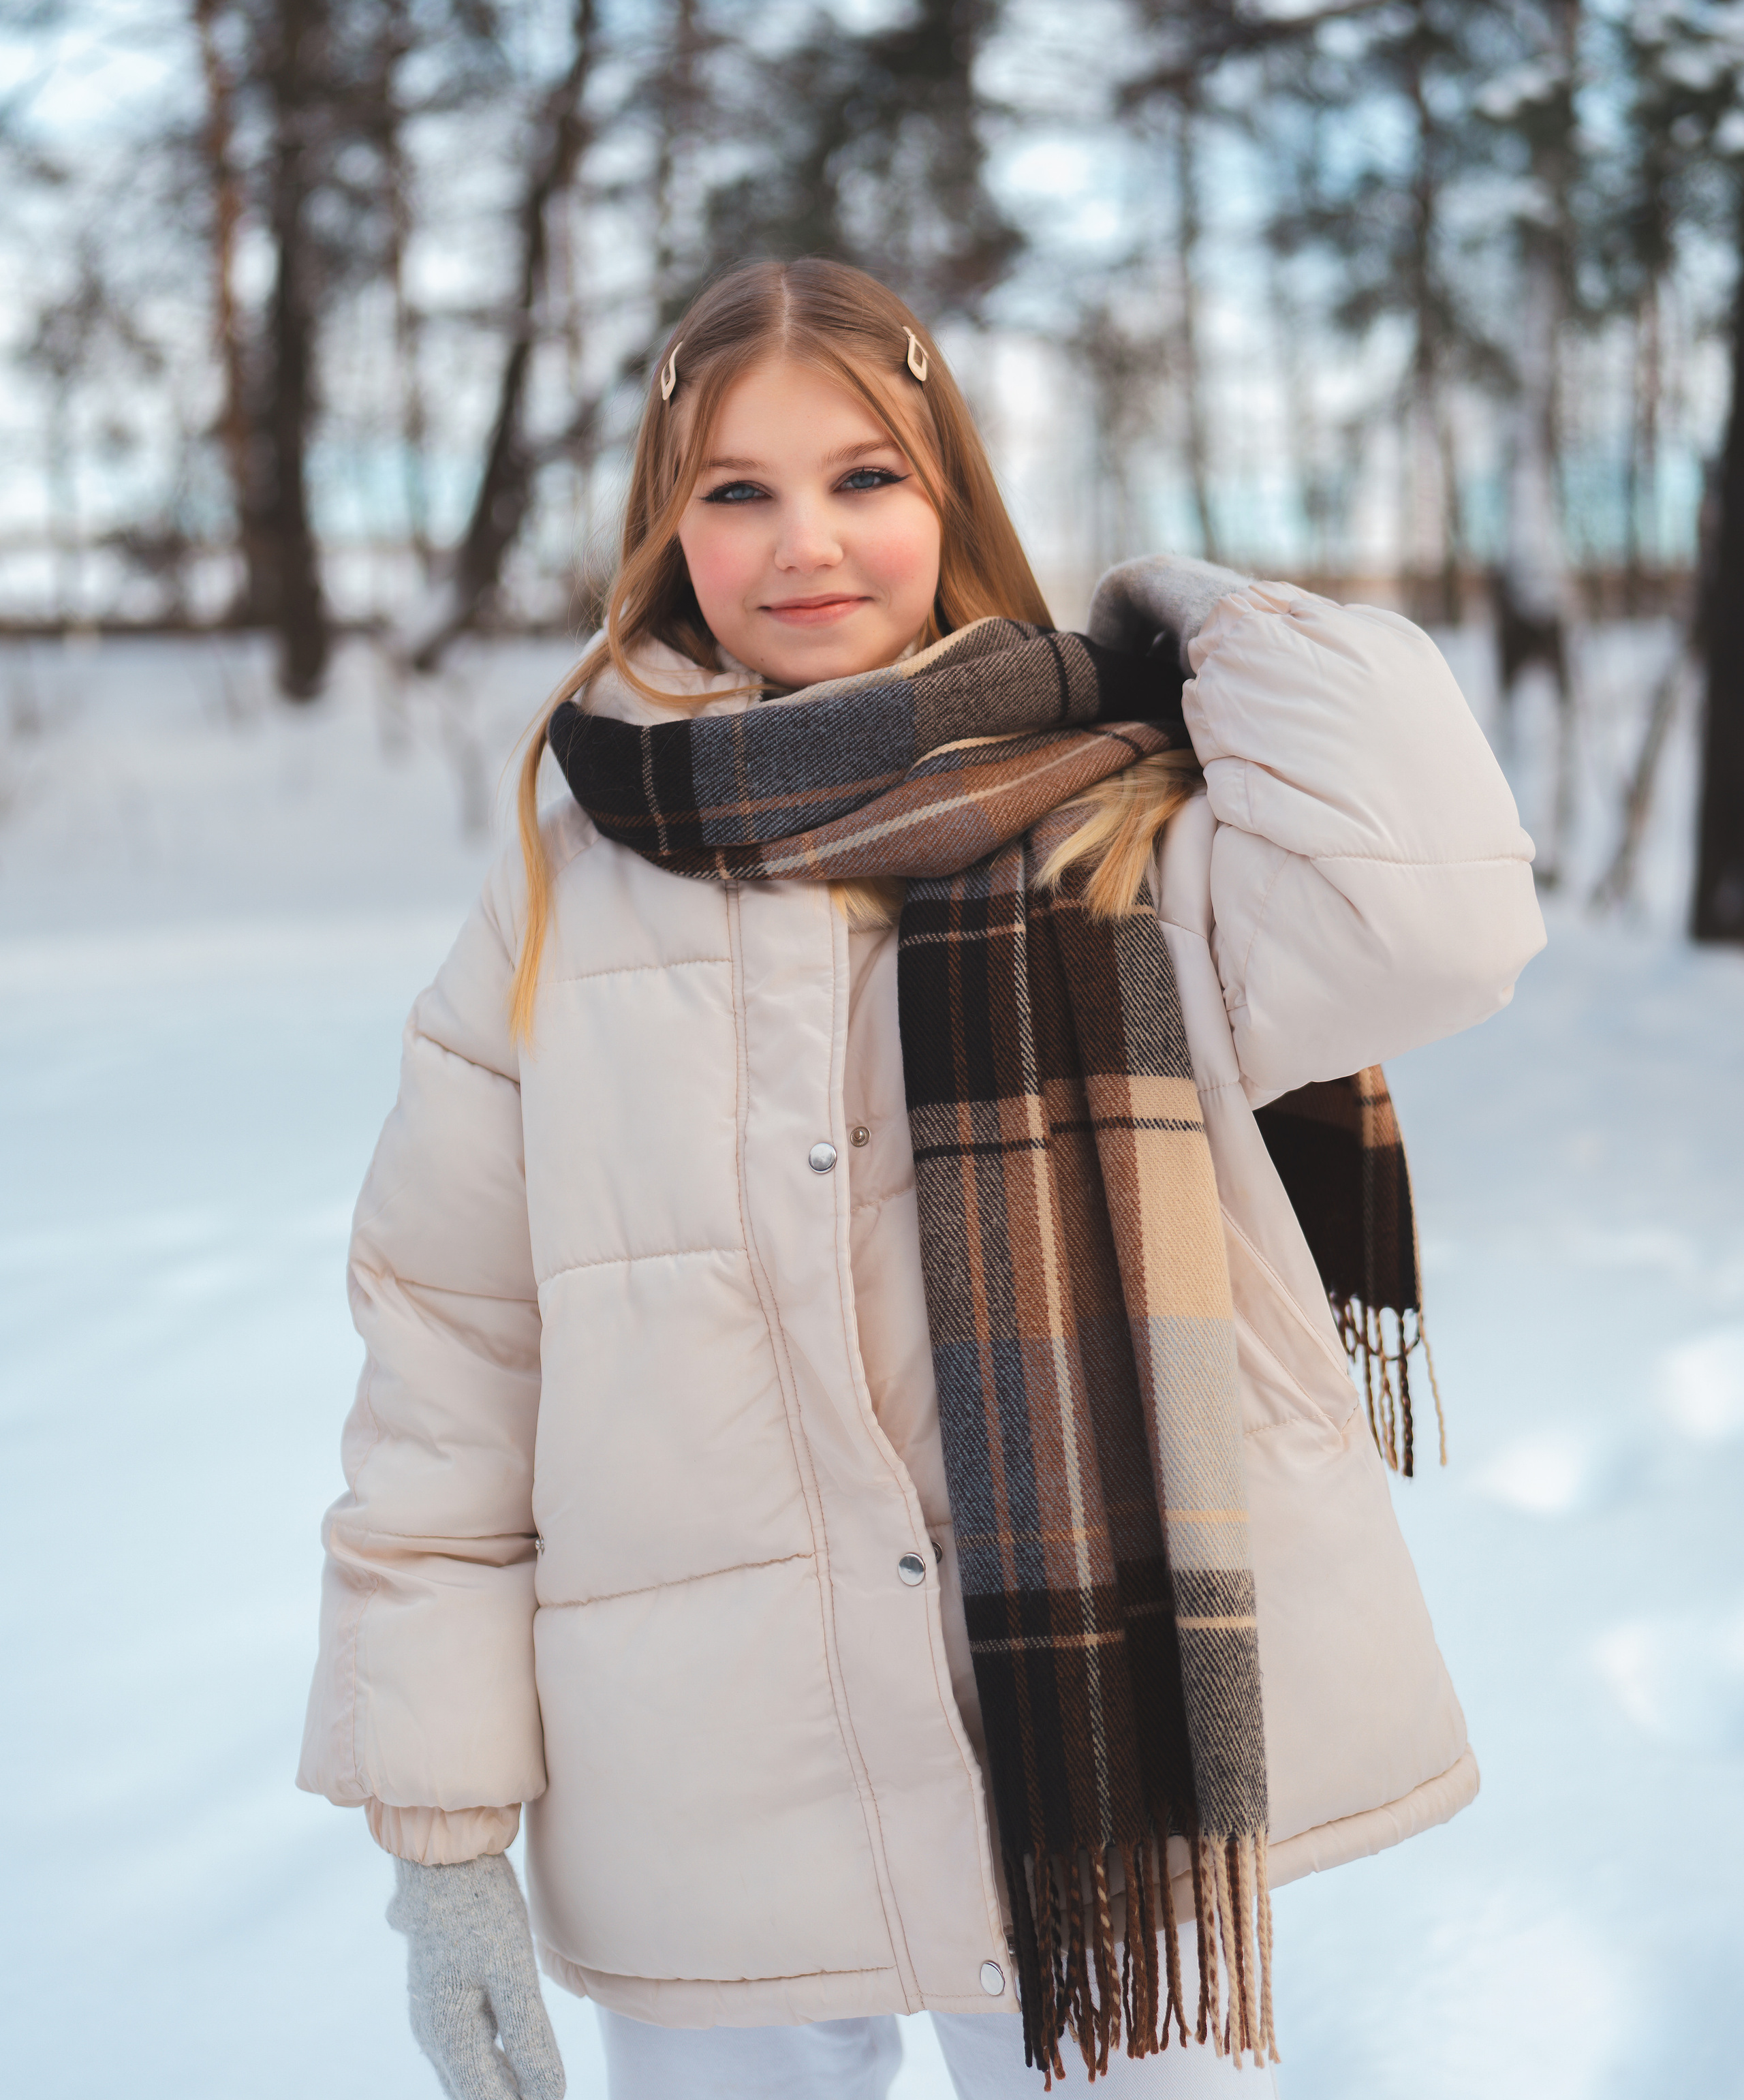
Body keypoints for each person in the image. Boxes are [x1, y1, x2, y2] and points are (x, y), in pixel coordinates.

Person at [298, 258, 1546, 2099]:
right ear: (668, 525)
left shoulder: (1128, 814)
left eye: (867, 476)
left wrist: (1178, 617)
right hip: (706, 1784)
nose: (806, 539)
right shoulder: (570, 881)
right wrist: (440, 1835)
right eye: (737, 488)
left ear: (951, 491)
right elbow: (450, 1354)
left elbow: (1438, 917)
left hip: (1109, 1796)